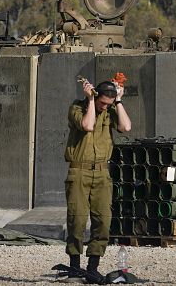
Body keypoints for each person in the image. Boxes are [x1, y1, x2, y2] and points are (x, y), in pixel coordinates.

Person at [64, 78, 132, 282]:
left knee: (103, 220)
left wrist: (118, 101)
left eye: (108, 104)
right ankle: (74, 267)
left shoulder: (111, 109)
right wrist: (92, 102)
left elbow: (126, 127)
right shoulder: (78, 107)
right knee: (76, 219)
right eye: (103, 102)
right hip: (79, 171)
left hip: (102, 172)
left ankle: (93, 266)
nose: (105, 107)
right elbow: (88, 125)